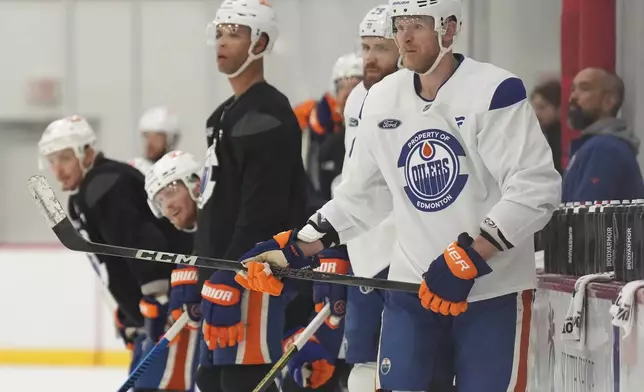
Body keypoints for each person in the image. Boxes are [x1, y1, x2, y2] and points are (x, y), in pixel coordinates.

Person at [233, 0, 562, 391]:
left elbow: (535, 187)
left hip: (492, 293)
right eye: (399, 25)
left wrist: (472, 256)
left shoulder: (493, 91)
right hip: (413, 291)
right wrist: (295, 246)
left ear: (450, 29)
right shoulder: (382, 98)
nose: (404, 37)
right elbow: (362, 196)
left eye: (418, 25)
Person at [194, 1, 309, 391]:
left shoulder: (266, 114)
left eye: (235, 34)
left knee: (239, 382)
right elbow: (218, 203)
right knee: (209, 381)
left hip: (252, 277)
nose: (222, 42)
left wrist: (229, 273)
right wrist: (206, 273)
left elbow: (264, 211)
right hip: (223, 275)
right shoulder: (225, 114)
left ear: (259, 42)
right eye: (220, 32)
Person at [38, 115, 195, 392]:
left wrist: (156, 302)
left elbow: (144, 242)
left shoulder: (104, 186)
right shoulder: (89, 190)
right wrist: (129, 313)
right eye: (52, 161)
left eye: (64, 158)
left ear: (85, 152)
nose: (57, 169)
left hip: (171, 308)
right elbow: (113, 260)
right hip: (154, 313)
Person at [332, 5, 402, 391]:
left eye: (381, 47)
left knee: (408, 366)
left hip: (405, 254)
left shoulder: (415, 95)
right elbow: (354, 180)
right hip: (362, 248)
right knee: (360, 366)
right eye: (365, 47)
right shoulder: (358, 96)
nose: (370, 58)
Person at [144, 150, 203, 392]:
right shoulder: (197, 235)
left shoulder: (227, 219)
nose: (167, 207)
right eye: (160, 201)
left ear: (195, 183)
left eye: (170, 192)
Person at [562, 67, 644, 202]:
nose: (573, 97)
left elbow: (587, 218)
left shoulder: (604, 149)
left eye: (585, 88)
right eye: (573, 89)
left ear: (609, 101)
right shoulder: (596, 146)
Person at [129, 106, 181, 175]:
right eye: (147, 136)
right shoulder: (134, 169)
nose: (149, 142)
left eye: (157, 136)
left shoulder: (181, 168)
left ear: (170, 140)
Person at [530, 79, 562, 174]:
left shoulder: (563, 140)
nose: (536, 113)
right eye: (535, 107)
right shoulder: (540, 135)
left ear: (559, 108)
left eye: (542, 107)